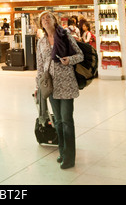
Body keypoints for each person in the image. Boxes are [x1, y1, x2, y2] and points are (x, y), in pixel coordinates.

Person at [36, 11, 84, 169]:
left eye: (48, 17)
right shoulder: (41, 42)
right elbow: (40, 67)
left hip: (67, 84)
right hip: (51, 87)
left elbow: (80, 55)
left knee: (67, 121)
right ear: (41, 24)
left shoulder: (64, 36)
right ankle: (62, 152)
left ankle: (69, 157)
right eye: (43, 18)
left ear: (54, 20)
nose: (45, 19)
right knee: (57, 121)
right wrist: (38, 86)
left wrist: (69, 60)